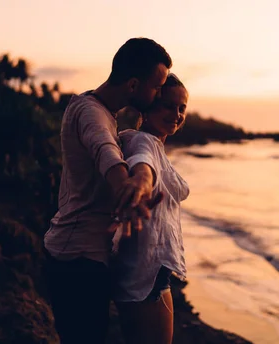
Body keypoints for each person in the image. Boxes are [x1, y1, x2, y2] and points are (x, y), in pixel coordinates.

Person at [43, 38, 172, 344]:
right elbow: (106, 153)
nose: (158, 95)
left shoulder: (100, 112)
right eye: (157, 87)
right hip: (77, 259)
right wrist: (125, 185)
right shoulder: (90, 113)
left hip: (82, 255)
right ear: (132, 85)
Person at [112, 73, 190, 344]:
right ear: (150, 106)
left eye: (182, 108)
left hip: (147, 274)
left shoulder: (153, 144)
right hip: (146, 279)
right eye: (169, 105)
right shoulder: (143, 142)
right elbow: (143, 167)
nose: (177, 114)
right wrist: (142, 182)